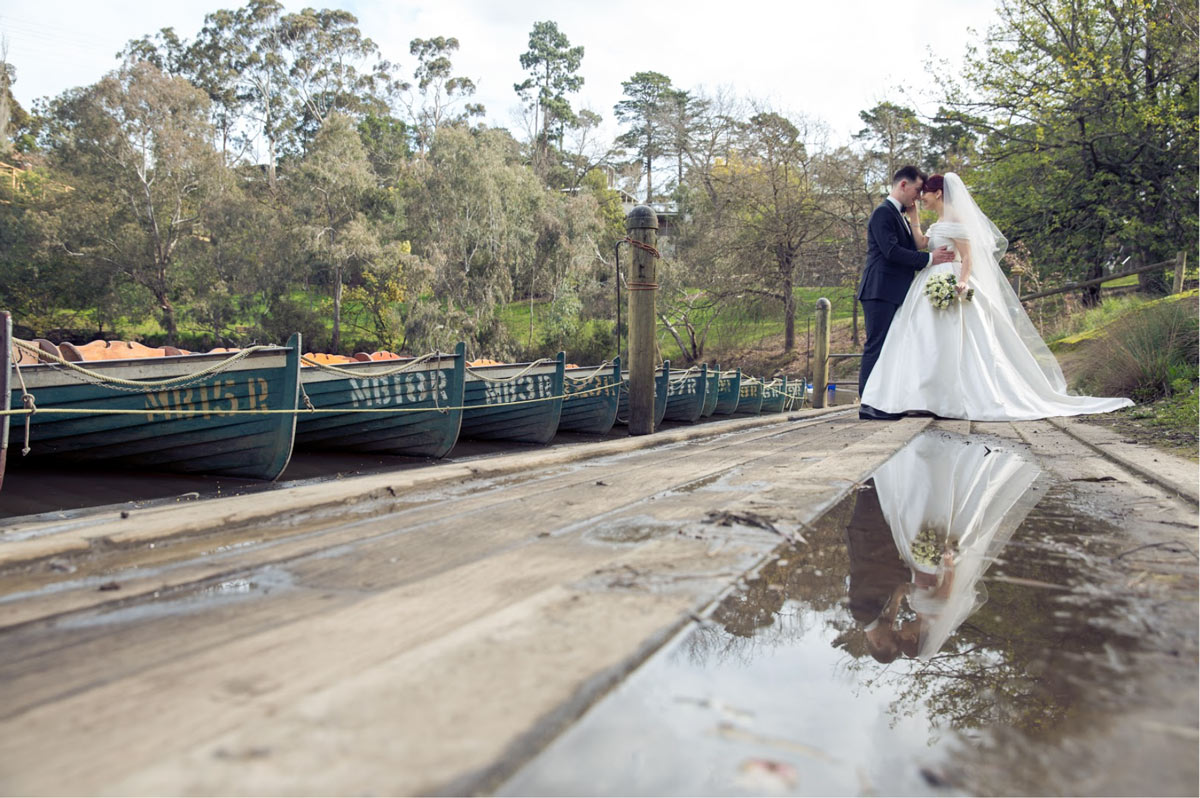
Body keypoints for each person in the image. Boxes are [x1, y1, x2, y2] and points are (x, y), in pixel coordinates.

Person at [860, 172, 1134, 421]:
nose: (921, 198)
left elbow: (968, 257)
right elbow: (921, 244)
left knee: (955, 343)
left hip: (949, 280)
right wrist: (917, 221)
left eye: (925, 194)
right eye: (918, 194)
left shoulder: (957, 219)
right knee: (922, 341)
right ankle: (917, 397)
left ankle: (949, 398)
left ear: (939, 193)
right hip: (926, 283)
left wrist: (964, 281)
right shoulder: (929, 220)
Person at [857, 166, 955, 421]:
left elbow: (912, 243)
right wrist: (930, 259)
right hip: (879, 289)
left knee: (891, 347)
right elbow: (891, 252)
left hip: (894, 290)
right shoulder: (882, 214)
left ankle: (884, 400)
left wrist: (914, 219)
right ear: (902, 185)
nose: (918, 196)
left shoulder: (899, 214)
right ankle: (868, 404)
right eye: (915, 190)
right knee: (876, 345)